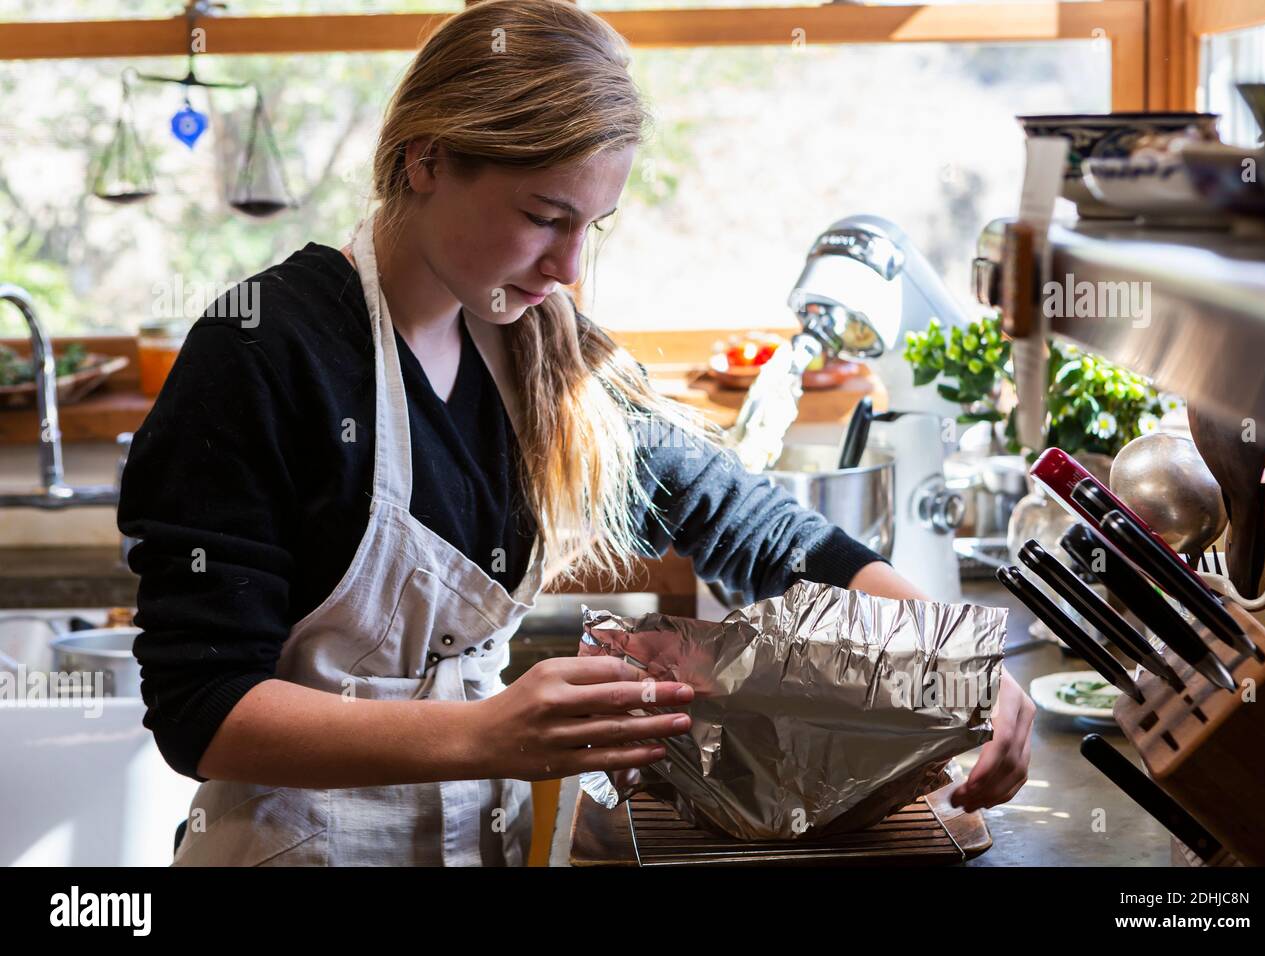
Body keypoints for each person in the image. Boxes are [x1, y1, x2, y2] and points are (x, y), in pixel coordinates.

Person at [117, 0, 1033, 867]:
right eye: (544, 219)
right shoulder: (264, 353)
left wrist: (949, 655)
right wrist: (488, 732)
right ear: (427, 160)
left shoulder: (535, 350)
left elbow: (755, 527)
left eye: (591, 225)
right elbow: (203, 710)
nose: (569, 267)